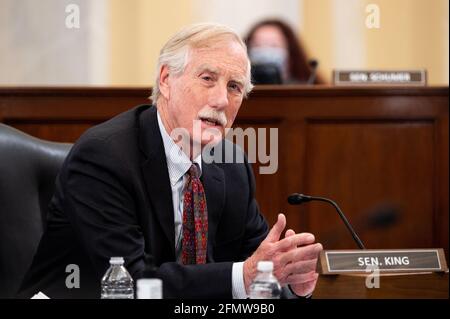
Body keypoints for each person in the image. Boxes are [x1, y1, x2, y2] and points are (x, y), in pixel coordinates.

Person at [18, 23, 322, 299]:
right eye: (207, 78)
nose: (221, 101)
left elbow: (258, 270)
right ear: (166, 80)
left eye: (234, 87)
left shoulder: (232, 165)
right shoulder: (103, 157)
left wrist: (292, 285)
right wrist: (245, 275)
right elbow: (133, 283)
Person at [245, 19, 323, 84]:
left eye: (274, 45)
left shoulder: (306, 89)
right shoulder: (238, 91)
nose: (264, 51)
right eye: (257, 45)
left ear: (291, 54)